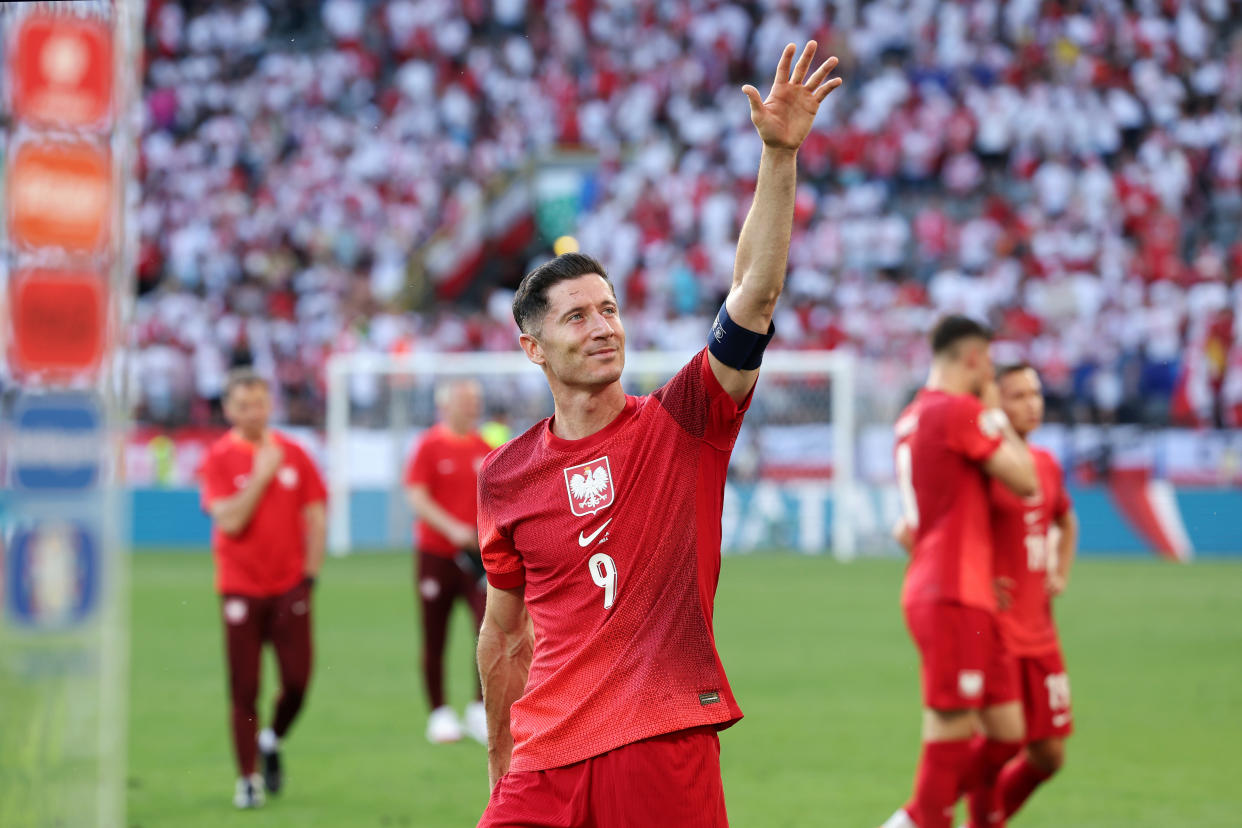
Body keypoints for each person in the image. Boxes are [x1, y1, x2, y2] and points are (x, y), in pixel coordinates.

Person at [473, 41, 842, 828]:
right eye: (577, 316)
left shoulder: (684, 422)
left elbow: (755, 292)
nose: (602, 326)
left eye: (608, 309)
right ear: (533, 347)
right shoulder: (505, 475)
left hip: (662, 737)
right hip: (542, 764)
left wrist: (779, 157)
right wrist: (503, 759)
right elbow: (503, 637)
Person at [881, 317, 1039, 828]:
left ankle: (920, 815)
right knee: (950, 732)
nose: (991, 374)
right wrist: (994, 409)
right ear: (973, 359)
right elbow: (1026, 479)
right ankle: (921, 819)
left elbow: (909, 525)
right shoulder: (959, 411)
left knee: (1008, 732)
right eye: (989, 363)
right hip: (951, 590)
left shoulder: (912, 415)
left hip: (961, 588)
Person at [199, 368, 326, 809]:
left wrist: (309, 576)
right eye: (244, 404)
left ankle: (271, 738)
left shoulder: (296, 453)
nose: (254, 412)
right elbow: (230, 521)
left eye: (260, 402)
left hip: (291, 586)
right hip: (239, 588)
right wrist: (260, 474)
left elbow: (316, 517)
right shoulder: (217, 458)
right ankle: (247, 777)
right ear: (228, 410)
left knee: (297, 682)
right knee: (245, 686)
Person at [971, 363, 1078, 827]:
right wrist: (976, 578)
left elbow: (1065, 519)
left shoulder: (1047, 465)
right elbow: (931, 534)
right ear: (995, 404)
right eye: (1018, 395)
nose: (1032, 403)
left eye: (1036, 393)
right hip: (995, 634)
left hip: (1042, 635)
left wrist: (1060, 569)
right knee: (1000, 745)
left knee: (1050, 756)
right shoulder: (981, 467)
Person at [403, 379, 492, 744]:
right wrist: (451, 528)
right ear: (447, 405)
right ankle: (439, 712)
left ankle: (478, 707)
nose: (472, 406)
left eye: (476, 399)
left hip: (477, 558)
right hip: (436, 554)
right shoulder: (429, 445)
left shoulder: (485, 448)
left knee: (487, 630)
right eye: (465, 400)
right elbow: (417, 496)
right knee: (434, 634)